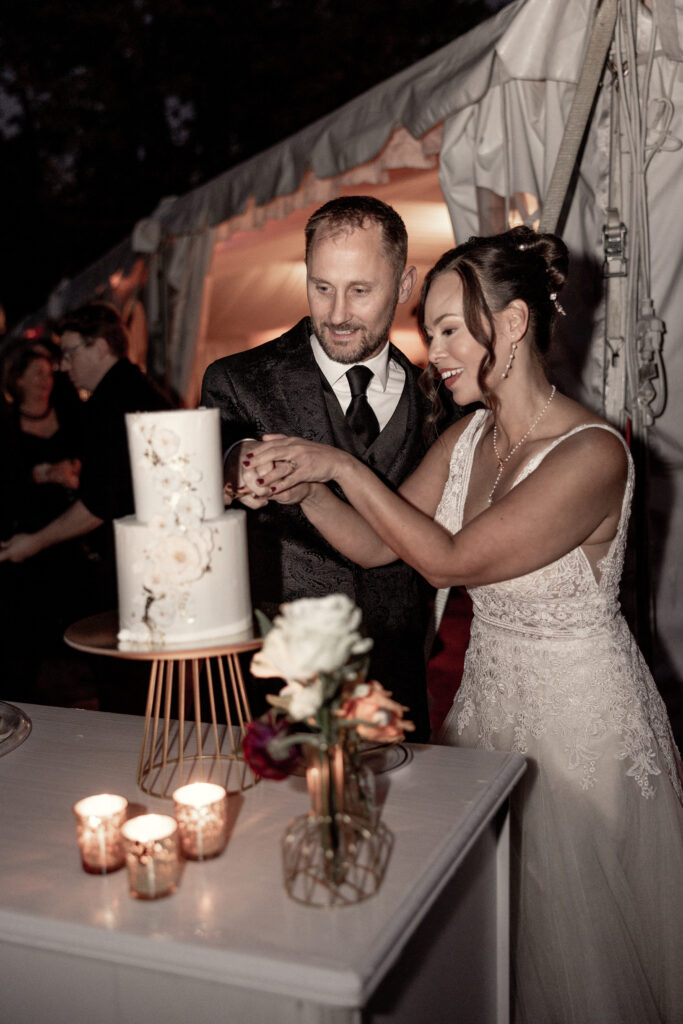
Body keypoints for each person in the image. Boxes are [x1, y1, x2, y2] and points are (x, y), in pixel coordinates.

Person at [247, 225, 683, 1024]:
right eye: (430, 331)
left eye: (449, 329)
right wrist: (301, 485)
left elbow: (448, 561)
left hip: (578, 733)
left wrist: (339, 462)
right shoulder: (469, 433)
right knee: (492, 946)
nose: (433, 350)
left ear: (510, 325)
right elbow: (378, 544)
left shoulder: (594, 455)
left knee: (577, 958)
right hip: (485, 713)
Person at [201, 196, 454, 740]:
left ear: (406, 286)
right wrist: (233, 466)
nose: (338, 313)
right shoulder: (239, 378)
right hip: (275, 676)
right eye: (322, 287)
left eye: (361, 290)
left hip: (396, 673)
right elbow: (216, 452)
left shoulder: (441, 399)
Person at [0, 302, 171, 710]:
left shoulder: (108, 403)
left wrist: (34, 542)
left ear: (101, 348)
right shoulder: (132, 391)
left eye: (71, 351)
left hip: (137, 569)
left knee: (126, 689)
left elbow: (99, 505)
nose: (64, 365)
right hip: (154, 564)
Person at [0, 341, 90, 701]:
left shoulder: (70, 413)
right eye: (36, 373)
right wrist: (41, 475)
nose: (44, 380)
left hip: (71, 533)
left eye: (48, 373)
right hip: (28, 538)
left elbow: (95, 461)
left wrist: (75, 472)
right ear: (17, 379)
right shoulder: (6, 426)